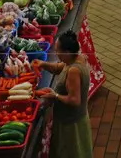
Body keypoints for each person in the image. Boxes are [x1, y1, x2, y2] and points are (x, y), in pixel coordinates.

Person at [38, 29, 92, 158]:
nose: (56, 54)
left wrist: (55, 96)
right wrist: (42, 64)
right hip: (72, 119)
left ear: (67, 52)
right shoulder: (76, 59)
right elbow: (58, 68)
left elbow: (74, 100)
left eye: (58, 51)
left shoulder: (74, 70)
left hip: (71, 124)